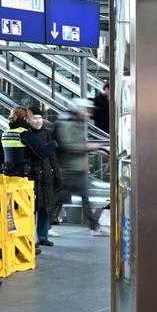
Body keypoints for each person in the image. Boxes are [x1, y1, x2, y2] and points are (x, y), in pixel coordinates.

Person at [57, 98, 109, 236]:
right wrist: (91, 147)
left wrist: (87, 159)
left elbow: (80, 144)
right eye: (87, 110)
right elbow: (69, 146)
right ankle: (45, 224)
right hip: (70, 169)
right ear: (78, 109)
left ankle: (94, 226)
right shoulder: (67, 124)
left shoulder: (79, 123)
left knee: (82, 199)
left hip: (78, 168)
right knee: (59, 199)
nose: (90, 114)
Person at [27, 105, 62, 248]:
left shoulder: (47, 134)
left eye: (40, 118)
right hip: (32, 176)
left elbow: (53, 156)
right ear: (29, 120)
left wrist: (57, 176)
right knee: (31, 209)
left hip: (46, 175)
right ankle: (30, 238)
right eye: (35, 118)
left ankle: (43, 237)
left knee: (44, 208)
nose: (38, 121)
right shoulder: (26, 134)